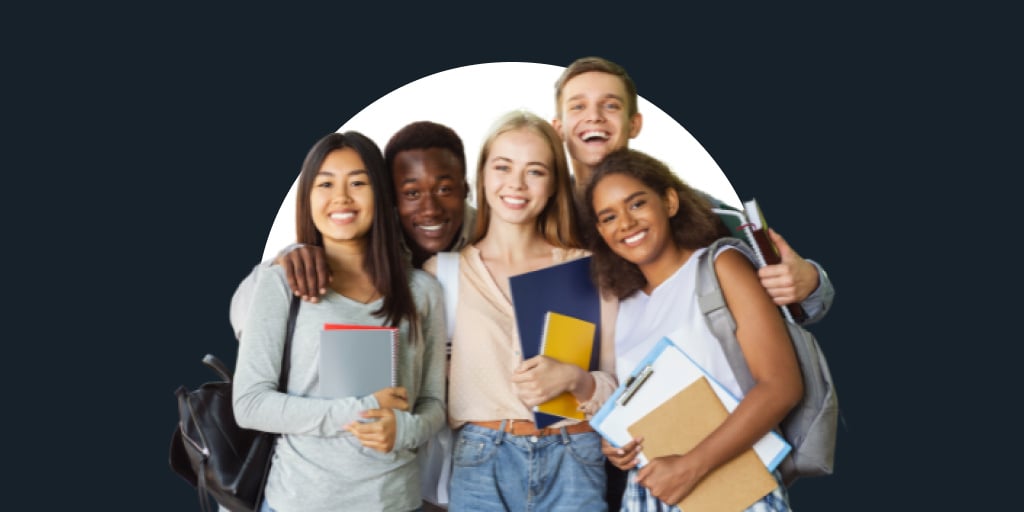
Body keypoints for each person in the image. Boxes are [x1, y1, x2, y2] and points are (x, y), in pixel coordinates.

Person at [231, 131, 447, 512]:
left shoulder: (422, 291)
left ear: (380, 195)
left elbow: (433, 403)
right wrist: (359, 409)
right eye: (325, 184)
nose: (342, 197)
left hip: (395, 501)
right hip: (300, 501)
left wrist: (404, 429)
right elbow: (249, 404)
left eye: (358, 183)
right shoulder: (282, 281)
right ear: (308, 198)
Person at [421, 110, 617, 511]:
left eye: (535, 171)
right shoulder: (444, 273)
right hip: (482, 459)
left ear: (552, 185)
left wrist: (575, 380)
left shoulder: (587, 268)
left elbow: (622, 384)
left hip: (574, 458)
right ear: (482, 177)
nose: (516, 184)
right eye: (503, 167)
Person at [586, 148, 802, 511]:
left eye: (636, 204)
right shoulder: (623, 304)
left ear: (669, 201)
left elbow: (782, 386)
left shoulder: (720, 265)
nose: (624, 223)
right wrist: (619, 445)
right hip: (650, 494)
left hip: (733, 489)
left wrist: (690, 466)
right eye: (608, 216)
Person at [551, 56, 834, 324]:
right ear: (559, 129)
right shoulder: (540, 213)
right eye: (578, 106)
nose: (595, 117)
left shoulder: (691, 207)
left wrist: (809, 283)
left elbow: (786, 301)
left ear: (634, 124)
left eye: (611, 105)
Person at [230, 120, 475, 336]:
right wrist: (286, 263)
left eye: (444, 189)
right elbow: (246, 325)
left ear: (466, 188)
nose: (430, 208)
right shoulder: (363, 240)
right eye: (411, 193)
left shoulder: (493, 237)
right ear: (389, 196)